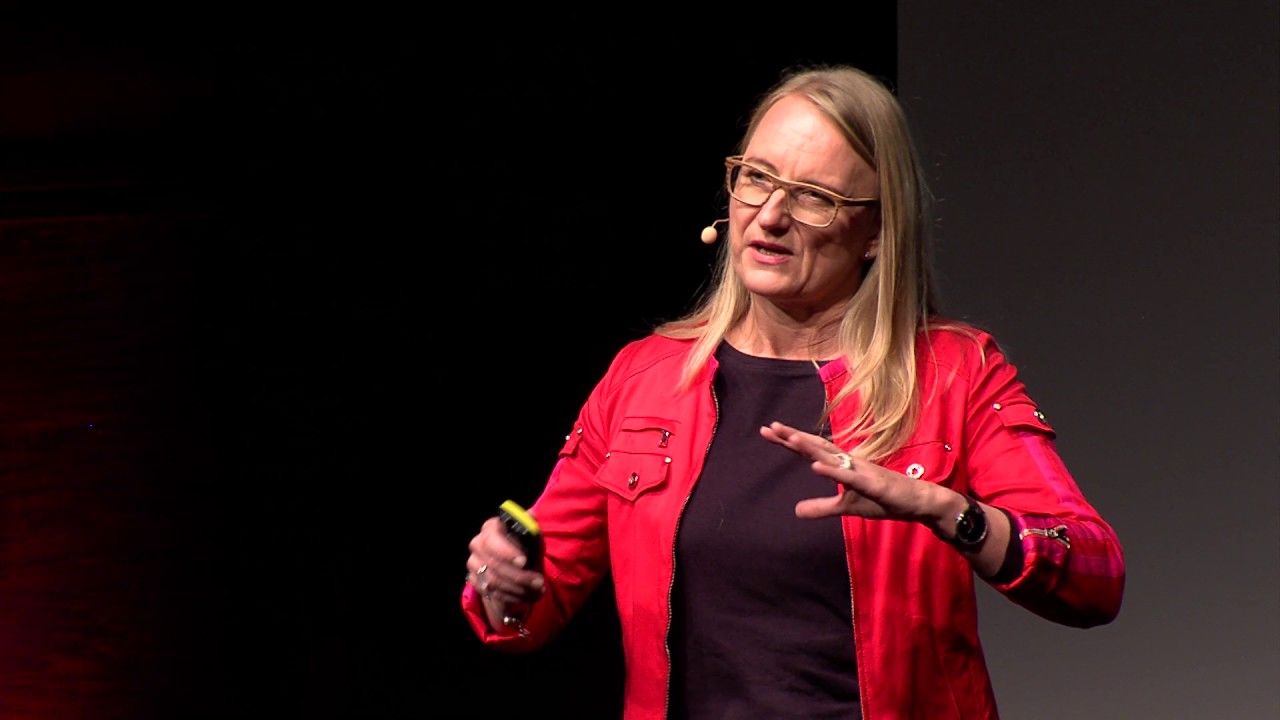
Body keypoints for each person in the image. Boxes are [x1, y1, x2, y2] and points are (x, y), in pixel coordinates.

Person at [460, 63, 1125, 719]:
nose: (770, 215)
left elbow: (1095, 577)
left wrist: (952, 513)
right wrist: (503, 587)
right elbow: (527, 619)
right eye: (756, 178)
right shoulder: (645, 378)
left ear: (877, 232)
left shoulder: (955, 372)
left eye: (814, 196)